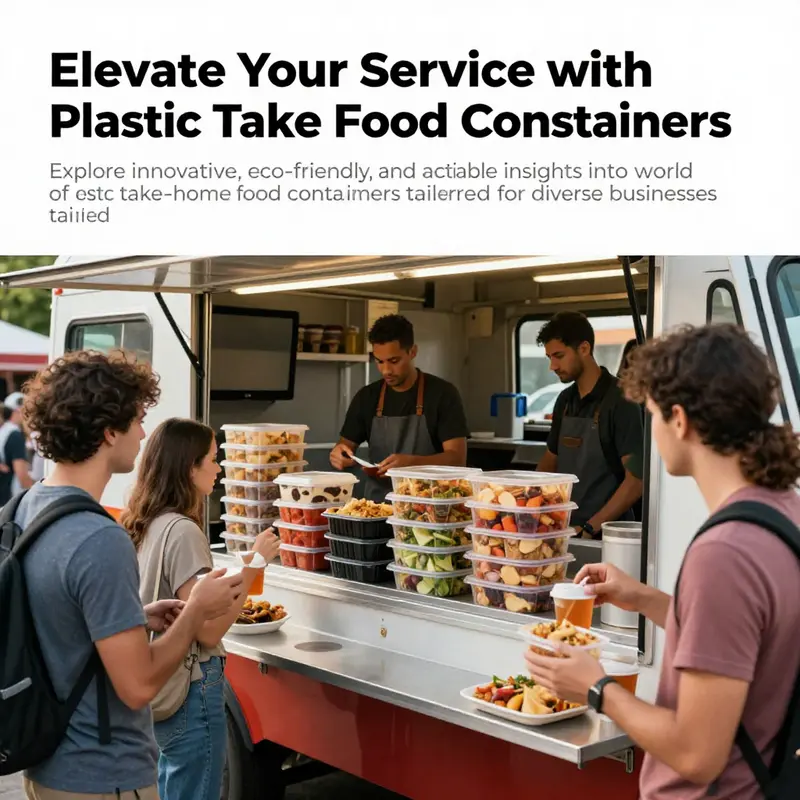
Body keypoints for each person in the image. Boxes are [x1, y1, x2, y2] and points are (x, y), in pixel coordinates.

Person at [525, 324, 800, 799]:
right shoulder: (783, 510)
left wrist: (596, 687)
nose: (651, 430)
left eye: (650, 413)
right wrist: (646, 599)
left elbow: (697, 754)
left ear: (680, 420)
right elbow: (746, 640)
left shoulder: (724, 555)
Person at [15, 350, 245, 800]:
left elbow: (60, 623)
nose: (143, 434)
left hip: (47, 765)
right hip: (103, 777)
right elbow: (138, 685)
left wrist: (136, 616)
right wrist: (195, 611)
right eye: (137, 420)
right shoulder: (98, 538)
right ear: (108, 431)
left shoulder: (28, 508)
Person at [121, 418, 281, 800]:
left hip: (162, 683)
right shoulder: (184, 531)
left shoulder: (145, 523)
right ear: (189, 467)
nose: (220, 467)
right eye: (213, 458)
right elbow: (206, 630)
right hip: (191, 685)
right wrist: (254, 565)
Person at [330, 314, 470, 501]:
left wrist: (413, 464)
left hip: (430, 506)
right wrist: (339, 454)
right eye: (380, 361)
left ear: (412, 352)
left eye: (394, 361)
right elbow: (345, 446)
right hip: (378, 507)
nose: (386, 370)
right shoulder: (367, 397)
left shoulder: (442, 394)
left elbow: (457, 459)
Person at [535, 312, 644, 538]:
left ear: (584, 349)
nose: (552, 366)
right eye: (549, 357)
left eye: (559, 356)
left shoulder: (621, 400)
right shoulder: (564, 401)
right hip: (564, 530)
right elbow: (550, 462)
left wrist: (590, 528)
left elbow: (636, 480)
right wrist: (529, 506)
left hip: (607, 534)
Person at [0, 391, 33, 506]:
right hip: (8, 500)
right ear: (19, 411)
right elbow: (21, 475)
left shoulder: (3, 431)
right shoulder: (15, 434)